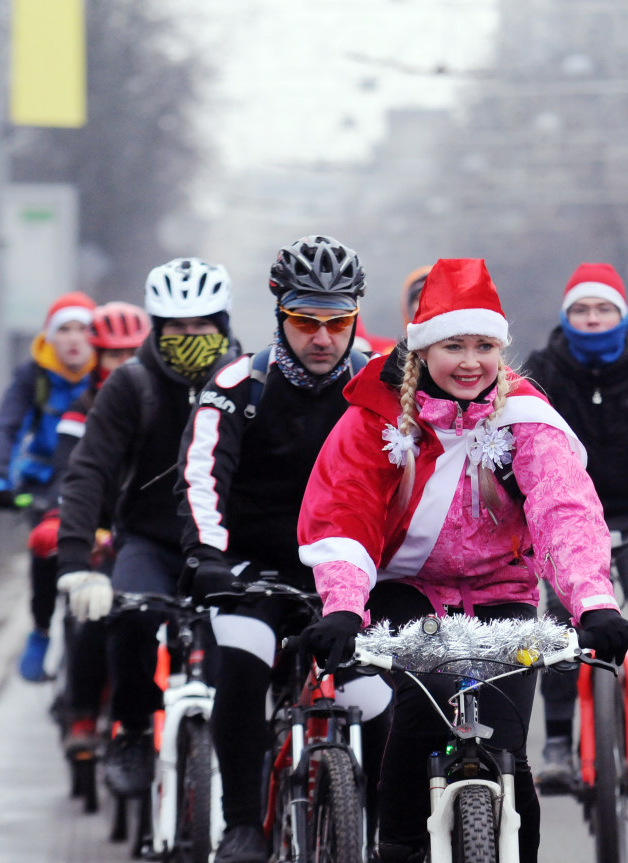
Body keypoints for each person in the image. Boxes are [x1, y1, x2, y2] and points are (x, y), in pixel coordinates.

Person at [296, 257, 628, 863]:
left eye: (484, 345)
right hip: (407, 588)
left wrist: (593, 603)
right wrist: (346, 607)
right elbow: (345, 512)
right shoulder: (375, 416)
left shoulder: (525, 417)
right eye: (453, 345)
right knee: (420, 717)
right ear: (423, 349)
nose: (470, 361)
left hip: (501, 590)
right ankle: (400, 847)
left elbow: (563, 509)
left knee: (510, 751)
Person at [176, 235, 392, 863]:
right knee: (244, 664)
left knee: (378, 700)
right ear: (279, 314)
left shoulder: (381, 382)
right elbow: (201, 478)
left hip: (349, 570)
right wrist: (206, 558)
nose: (322, 338)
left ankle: (375, 836)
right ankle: (243, 822)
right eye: (305, 321)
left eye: (337, 322)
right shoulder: (237, 385)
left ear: (355, 316)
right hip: (252, 568)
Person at [56, 257, 239, 798]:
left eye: (202, 325)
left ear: (224, 325)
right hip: (150, 541)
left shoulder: (249, 383)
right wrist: (72, 563)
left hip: (227, 545)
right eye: (177, 328)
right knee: (128, 614)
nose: (191, 337)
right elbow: (89, 468)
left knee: (245, 652)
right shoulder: (130, 385)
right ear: (157, 329)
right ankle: (133, 730)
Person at [522, 262, 628, 803]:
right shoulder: (543, 368)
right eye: (581, 310)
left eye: (603, 309)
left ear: (624, 315)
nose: (592, 319)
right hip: (566, 524)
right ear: (566, 317)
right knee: (559, 629)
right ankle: (557, 744)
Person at [40, 301, 152, 757]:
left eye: (131, 355)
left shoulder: (161, 403)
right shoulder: (82, 410)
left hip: (145, 533)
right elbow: (73, 477)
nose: (121, 365)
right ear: (97, 359)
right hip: (101, 531)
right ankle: (82, 713)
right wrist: (80, 531)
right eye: (112, 356)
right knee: (91, 620)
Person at [0, 291, 97, 682]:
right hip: (46, 481)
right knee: (46, 550)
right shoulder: (34, 375)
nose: (74, 339)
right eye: (64, 329)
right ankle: (42, 630)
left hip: (99, 478)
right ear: (49, 337)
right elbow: (7, 426)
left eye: (83, 328)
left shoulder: (110, 371)